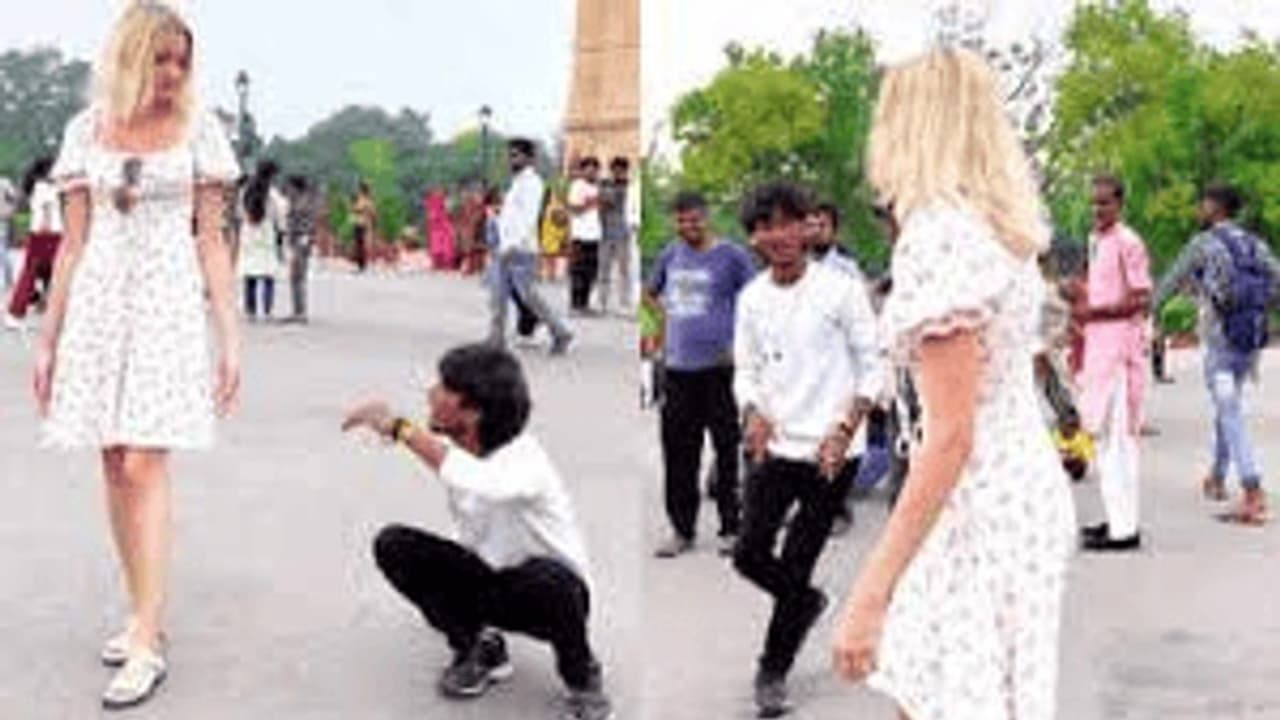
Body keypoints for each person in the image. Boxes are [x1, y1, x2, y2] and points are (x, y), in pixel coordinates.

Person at [832, 49, 1075, 720]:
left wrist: (871, 590)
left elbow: (951, 435)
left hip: (978, 505)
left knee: (943, 695)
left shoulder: (940, 232)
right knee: (984, 692)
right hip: (1021, 489)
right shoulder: (997, 229)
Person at [31, 2, 240, 708]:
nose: (172, 73)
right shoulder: (84, 132)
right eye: (159, 58)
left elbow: (212, 239)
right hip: (97, 305)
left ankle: (148, 639)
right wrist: (48, 340)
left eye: (181, 60)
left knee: (147, 461)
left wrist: (229, 337)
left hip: (165, 307)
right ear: (128, 57)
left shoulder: (199, 132)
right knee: (114, 462)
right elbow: (72, 244)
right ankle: (141, 607)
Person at [342, 343, 612, 720]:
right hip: (489, 578)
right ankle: (480, 646)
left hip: (548, 596)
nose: (431, 393)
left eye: (444, 388)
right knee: (394, 545)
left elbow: (481, 482)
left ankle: (583, 678)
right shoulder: (461, 446)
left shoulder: (525, 458)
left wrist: (400, 428)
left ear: (473, 410)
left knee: (551, 581)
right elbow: (457, 474)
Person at [732, 182, 882, 717]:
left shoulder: (840, 290)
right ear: (753, 237)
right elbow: (746, 368)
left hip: (832, 452)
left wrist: (845, 429)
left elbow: (873, 364)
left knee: (795, 563)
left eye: (787, 223)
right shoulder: (751, 298)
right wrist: (752, 411)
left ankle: (772, 672)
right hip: (776, 446)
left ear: (806, 227)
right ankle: (808, 604)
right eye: (764, 226)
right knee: (748, 554)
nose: (778, 235)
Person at [1154, 183, 1280, 525]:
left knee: (1230, 410)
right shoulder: (1255, 244)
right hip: (1250, 340)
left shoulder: (1204, 244)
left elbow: (1169, 282)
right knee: (1229, 407)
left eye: (1203, 204)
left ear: (1216, 207)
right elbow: (1276, 280)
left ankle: (1253, 490)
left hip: (1221, 339)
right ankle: (1217, 477)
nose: (1200, 209)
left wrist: (1147, 313)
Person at [645, 190, 756, 559]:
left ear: (706, 218)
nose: (687, 226)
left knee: (727, 448)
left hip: (721, 371)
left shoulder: (732, 256)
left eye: (693, 219)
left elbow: (756, 301)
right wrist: (665, 325)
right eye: (680, 220)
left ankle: (731, 526)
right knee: (679, 453)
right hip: (677, 369)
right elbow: (650, 293)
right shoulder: (670, 254)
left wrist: (738, 342)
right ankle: (681, 529)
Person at [1074, 174, 1152, 552]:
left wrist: (1097, 312)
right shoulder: (1096, 243)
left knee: (1120, 441)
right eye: (1094, 203)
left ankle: (1125, 530)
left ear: (1120, 205)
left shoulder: (1128, 242)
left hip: (1120, 353)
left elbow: (1141, 298)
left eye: (1104, 203)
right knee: (1104, 440)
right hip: (1098, 352)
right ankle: (1117, 518)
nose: (1097, 209)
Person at [489, 138, 573, 354]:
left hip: (521, 250)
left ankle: (561, 332)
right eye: (510, 155)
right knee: (498, 296)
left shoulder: (533, 183)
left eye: (516, 155)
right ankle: (495, 340)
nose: (511, 159)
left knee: (529, 297)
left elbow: (529, 217)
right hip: (506, 248)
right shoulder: (517, 183)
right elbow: (511, 217)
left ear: (529, 158)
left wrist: (513, 244)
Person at [5, 157, 63, 330]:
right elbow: (46, 209)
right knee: (36, 275)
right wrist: (46, 226)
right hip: (48, 236)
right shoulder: (45, 187)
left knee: (42, 274)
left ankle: (37, 309)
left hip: (41, 236)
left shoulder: (39, 187)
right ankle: (16, 312)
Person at [237, 160, 286, 321]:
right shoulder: (272, 193)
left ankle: (250, 311)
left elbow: (239, 212)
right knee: (267, 275)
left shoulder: (245, 191)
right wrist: (281, 230)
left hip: (249, 234)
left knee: (250, 275)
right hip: (266, 234)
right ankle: (267, 311)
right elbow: (281, 212)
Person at [597, 156, 633, 314]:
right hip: (604, 232)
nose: (618, 173)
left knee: (624, 270)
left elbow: (609, 200)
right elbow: (603, 201)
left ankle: (624, 303)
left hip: (623, 233)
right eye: (615, 170)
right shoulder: (604, 184)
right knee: (603, 269)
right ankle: (602, 301)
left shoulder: (630, 186)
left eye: (621, 170)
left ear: (626, 171)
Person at [566, 156, 602, 312]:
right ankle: (576, 304)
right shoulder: (577, 186)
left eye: (595, 169)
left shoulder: (598, 187)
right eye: (589, 168)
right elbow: (573, 209)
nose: (592, 172)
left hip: (595, 236)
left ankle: (585, 303)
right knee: (578, 271)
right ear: (583, 170)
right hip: (580, 236)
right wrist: (590, 203)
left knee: (591, 272)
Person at [283, 174, 316, 323]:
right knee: (295, 277)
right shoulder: (297, 201)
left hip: (301, 241)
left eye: (290, 187)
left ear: (296, 187)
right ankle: (297, 310)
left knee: (298, 277)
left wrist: (304, 241)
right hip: (297, 241)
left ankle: (300, 312)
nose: (288, 190)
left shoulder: (304, 203)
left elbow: (309, 225)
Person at [426, 187, 458, 271]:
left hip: (440, 225)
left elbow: (432, 214)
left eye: (440, 192)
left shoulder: (436, 201)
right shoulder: (434, 201)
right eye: (437, 192)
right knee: (443, 244)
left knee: (442, 244)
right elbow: (432, 214)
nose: (438, 193)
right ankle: (442, 263)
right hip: (440, 225)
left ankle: (443, 263)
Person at [352, 181, 375, 273]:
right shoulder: (366, 200)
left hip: (360, 224)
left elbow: (355, 209)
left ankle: (362, 265)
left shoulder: (362, 200)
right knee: (361, 245)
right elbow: (373, 213)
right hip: (363, 224)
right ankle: (362, 265)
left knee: (361, 245)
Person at [0, 174, 16, 292]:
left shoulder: (4, 182)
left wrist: (9, 210)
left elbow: (14, 197)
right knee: (2, 249)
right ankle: (9, 281)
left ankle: (9, 281)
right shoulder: (4, 182)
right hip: (3, 217)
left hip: (1, 218)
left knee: (2, 250)